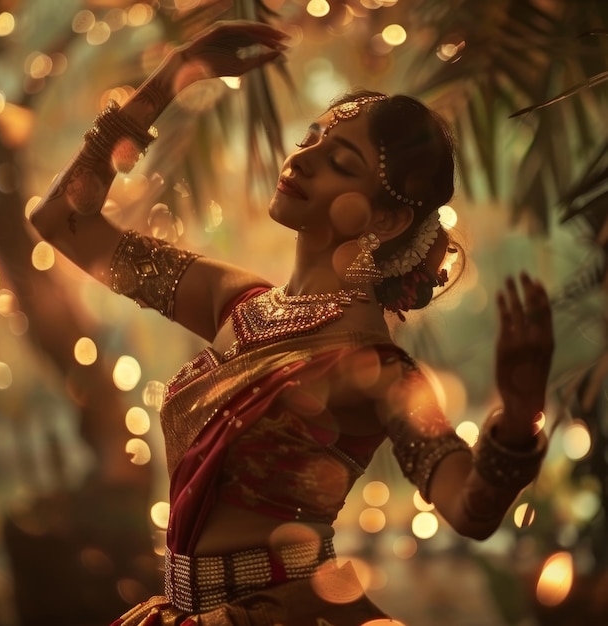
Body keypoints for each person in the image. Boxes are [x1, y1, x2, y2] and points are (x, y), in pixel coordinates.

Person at [29, 20, 554, 626]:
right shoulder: (236, 302)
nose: (301, 159)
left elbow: (469, 509)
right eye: (311, 137)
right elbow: (62, 219)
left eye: (339, 161)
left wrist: (517, 423)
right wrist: (173, 77)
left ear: (383, 219)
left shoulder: (378, 368)